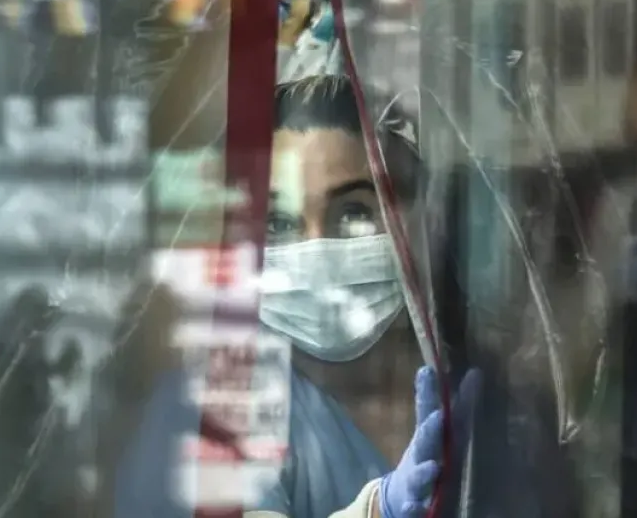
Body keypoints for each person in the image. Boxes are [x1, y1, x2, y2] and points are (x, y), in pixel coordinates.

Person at [112, 73, 480, 518]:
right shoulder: (210, 409)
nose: (315, 250)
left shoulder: (474, 388)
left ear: (416, 223)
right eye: (278, 224)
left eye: (354, 213)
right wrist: (376, 510)